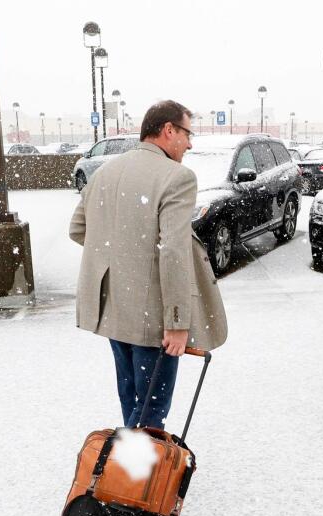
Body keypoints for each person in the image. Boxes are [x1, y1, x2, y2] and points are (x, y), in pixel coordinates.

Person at [69, 100, 227, 430]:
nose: (190, 142)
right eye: (187, 133)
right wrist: (177, 322)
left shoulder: (105, 172)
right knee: (151, 410)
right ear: (168, 130)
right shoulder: (177, 177)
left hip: (115, 310)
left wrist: (124, 257)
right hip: (153, 316)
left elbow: (79, 229)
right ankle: (135, 476)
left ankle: (125, 469)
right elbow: (173, 251)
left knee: (131, 398)